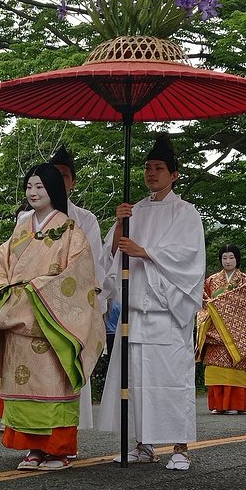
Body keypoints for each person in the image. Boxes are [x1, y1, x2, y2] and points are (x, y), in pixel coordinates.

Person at [0, 163, 104, 470]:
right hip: (18, 316)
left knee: (53, 383)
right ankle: (33, 449)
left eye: (40, 187)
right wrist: (5, 290)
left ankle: (58, 450)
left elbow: (79, 275)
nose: (33, 193)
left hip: (50, 320)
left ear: (53, 191)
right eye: (29, 187)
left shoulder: (70, 230)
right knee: (23, 384)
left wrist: (36, 293)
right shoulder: (22, 227)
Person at [95, 134, 205, 471]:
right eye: (147, 167)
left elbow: (188, 258)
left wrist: (146, 251)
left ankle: (180, 447)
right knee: (137, 380)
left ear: (174, 175)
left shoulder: (186, 213)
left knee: (171, 380)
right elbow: (112, 256)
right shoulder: (134, 210)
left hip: (167, 312)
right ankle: (142, 444)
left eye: (158, 168)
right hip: (135, 313)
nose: (151, 173)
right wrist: (118, 222)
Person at [49, 143, 111, 434]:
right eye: (53, 175)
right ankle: (35, 437)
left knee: (70, 368)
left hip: (73, 307)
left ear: (72, 181)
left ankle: (65, 437)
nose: (59, 181)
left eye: (64, 175)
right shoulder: (27, 219)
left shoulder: (86, 219)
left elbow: (96, 266)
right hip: (39, 305)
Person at [196, 244, 246, 415]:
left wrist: (222, 304)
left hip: (238, 331)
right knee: (216, 367)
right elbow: (204, 300)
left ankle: (236, 404)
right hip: (215, 329)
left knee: (235, 366)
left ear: (237, 259)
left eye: (231, 257)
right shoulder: (211, 280)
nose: (228, 261)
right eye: (224, 257)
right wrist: (214, 304)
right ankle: (218, 404)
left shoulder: (244, 279)